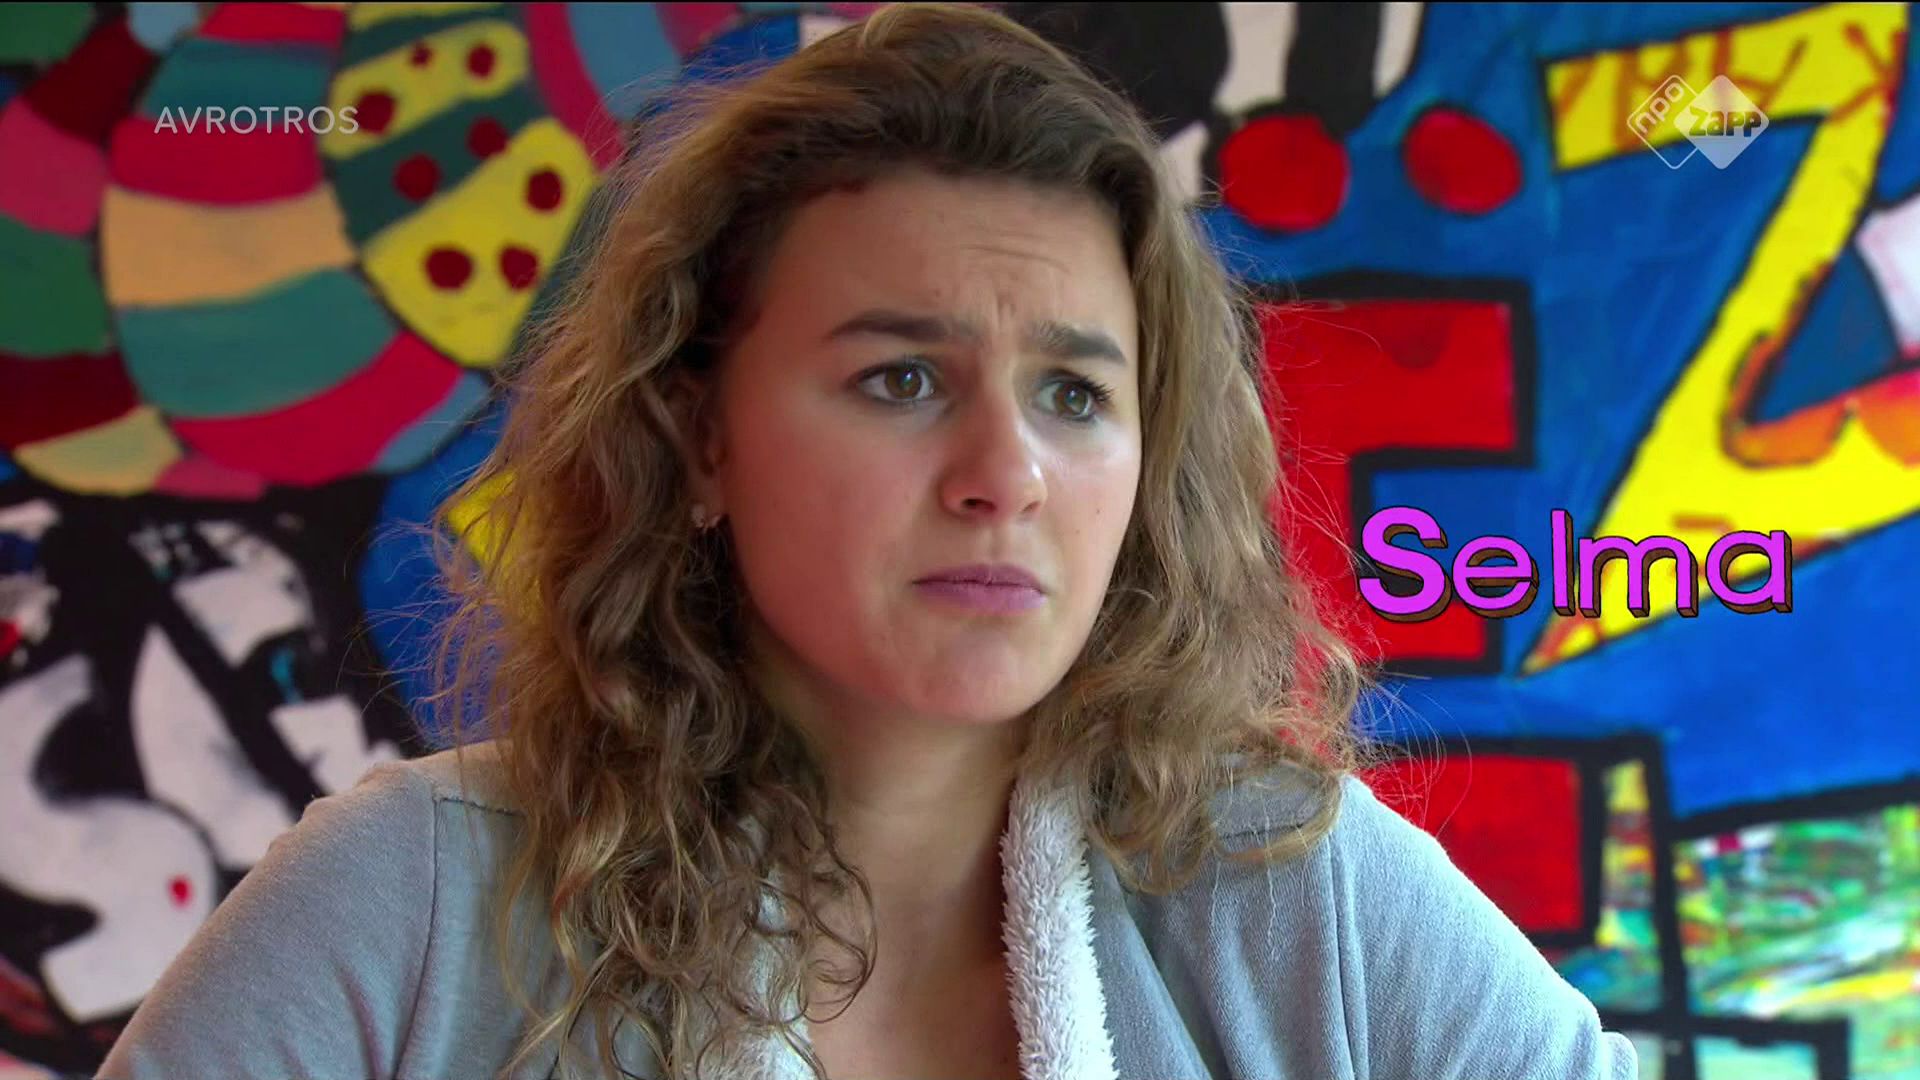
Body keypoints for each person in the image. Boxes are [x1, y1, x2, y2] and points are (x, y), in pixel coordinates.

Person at [99, 5, 1639, 1080]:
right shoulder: (417, 906)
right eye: (901, 379)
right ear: (698, 438)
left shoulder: (1303, 897)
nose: (1004, 473)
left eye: (1075, 394)